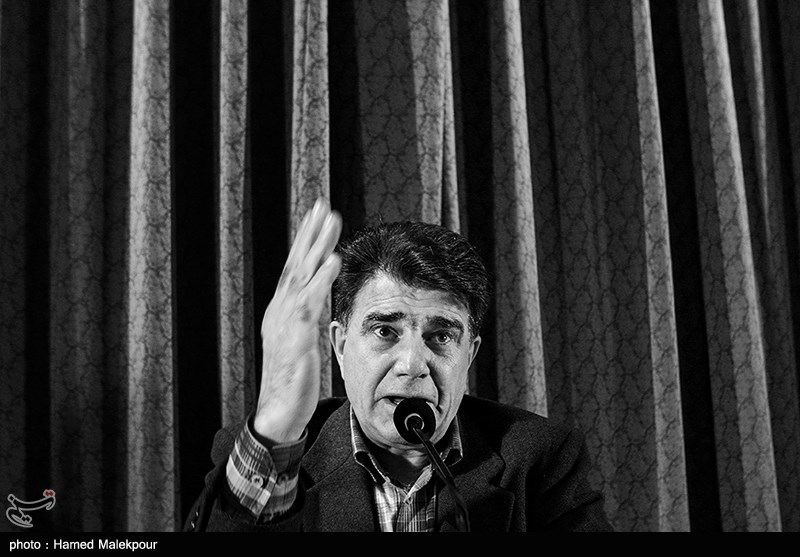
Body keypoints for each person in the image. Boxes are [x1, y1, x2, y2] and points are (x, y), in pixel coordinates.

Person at [184, 198, 612, 532]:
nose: (412, 365)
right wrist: (276, 429)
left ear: (469, 354)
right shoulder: (269, 454)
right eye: (385, 331)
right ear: (340, 345)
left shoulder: (541, 460)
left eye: (441, 336)